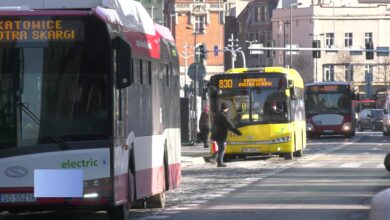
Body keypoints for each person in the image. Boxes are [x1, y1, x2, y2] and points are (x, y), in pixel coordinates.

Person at [210, 102, 242, 167]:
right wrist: (238, 132)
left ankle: (215, 159)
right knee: (222, 148)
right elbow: (230, 125)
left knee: (220, 148)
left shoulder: (218, 114)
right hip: (221, 134)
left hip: (215, 133)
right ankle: (220, 162)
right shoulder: (224, 115)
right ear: (226, 108)